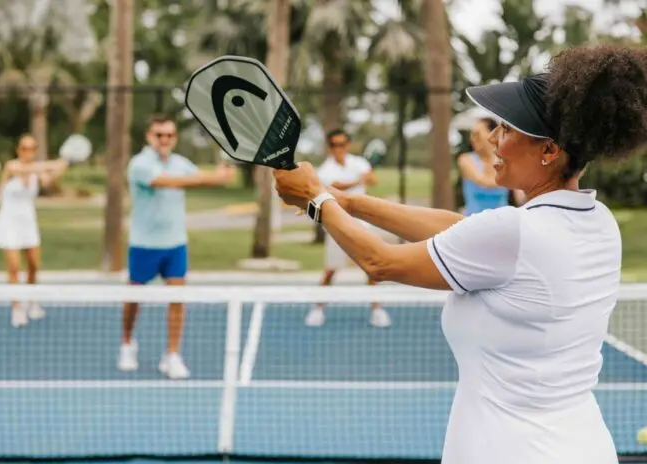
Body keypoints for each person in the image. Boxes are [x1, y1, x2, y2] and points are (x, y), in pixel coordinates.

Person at [273, 44, 647, 463]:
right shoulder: (598, 222)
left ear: (549, 151)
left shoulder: (514, 231)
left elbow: (382, 262)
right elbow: (461, 229)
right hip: (585, 446)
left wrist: (316, 200)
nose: (492, 139)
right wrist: (347, 201)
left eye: (506, 129)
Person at [117, 114, 236, 380]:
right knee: (134, 300)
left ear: (175, 138)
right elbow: (168, 182)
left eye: (170, 135)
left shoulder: (181, 163)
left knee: (177, 300)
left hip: (175, 245)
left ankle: (172, 354)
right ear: (149, 137)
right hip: (144, 245)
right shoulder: (140, 164)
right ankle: (127, 343)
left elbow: (199, 176)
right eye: (159, 135)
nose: (165, 139)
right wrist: (214, 178)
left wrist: (221, 174)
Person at [304, 129, 391, 328]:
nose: (339, 148)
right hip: (337, 224)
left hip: (362, 222)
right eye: (335, 145)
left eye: (343, 144)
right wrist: (358, 180)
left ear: (348, 145)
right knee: (331, 270)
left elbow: (373, 180)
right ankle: (318, 308)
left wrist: (367, 177)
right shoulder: (324, 170)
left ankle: (377, 309)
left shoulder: (359, 163)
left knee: (372, 268)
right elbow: (335, 187)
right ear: (330, 147)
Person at [0, 134, 68, 328]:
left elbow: (49, 181)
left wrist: (63, 164)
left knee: (33, 265)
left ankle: (32, 301)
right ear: (18, 150)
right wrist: (53, 163)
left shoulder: (37, 173)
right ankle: (17, 308)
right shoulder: (11, 166)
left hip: (28, 223)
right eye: (24, 148)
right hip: (9, 223)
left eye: (32, 148)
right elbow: (32, 168)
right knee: (14, 267)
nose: (28, 152)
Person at [457, 118, 510, 215]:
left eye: (477, 134)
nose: (473, 139)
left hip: (501, 222)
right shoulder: (465, 159)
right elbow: (484, 182)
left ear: (492, 135)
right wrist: (491, 153)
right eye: (472, 134)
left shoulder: (504, 160)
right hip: (473, 221)